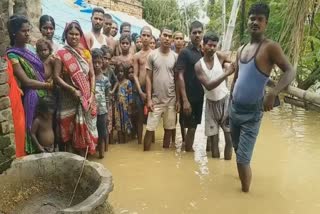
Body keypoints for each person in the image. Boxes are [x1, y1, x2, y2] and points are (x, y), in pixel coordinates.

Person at [230, 2, 295, 192]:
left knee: (243, 158)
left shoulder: (270, 47)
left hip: (252, 113)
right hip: (234, 109)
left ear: (266, 23)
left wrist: (273, 92)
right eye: (252, 18)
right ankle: (242, 180)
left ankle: (245, 196)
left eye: (260, 19)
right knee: (237, 151)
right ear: (248, 22)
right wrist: (228, 107)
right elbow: (236, 79)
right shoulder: (242, 49)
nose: (255, 22)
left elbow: (290, 71)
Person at [7, 15, 52, 154]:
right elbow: (26, 81)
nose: (27, 34)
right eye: (23, 31)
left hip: (44, 97)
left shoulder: (31, 50)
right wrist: (47, 86)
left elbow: (42, 73)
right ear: (14, 33)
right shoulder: (12, 55)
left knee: (46, 129)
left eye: (28, 30)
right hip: (32, 96)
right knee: (33, 129)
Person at [54, 21, 98, 155]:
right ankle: (72, 159)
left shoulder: (85, 54)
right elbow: (56, 77)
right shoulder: (60, 53)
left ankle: (84, 157)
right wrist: (72, 90)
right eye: (71, 34)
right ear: (65, 35)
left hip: (86, 97)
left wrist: (91, 95)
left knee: (86, 128)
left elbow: (92, 75)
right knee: (69, 130)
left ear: (81, 36)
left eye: (77, 34)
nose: (74, 37)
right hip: (68, 97)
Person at [195, 31, 234, 160]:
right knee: (214, 142)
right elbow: (209, 85)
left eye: (214, 46)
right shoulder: (198, 66)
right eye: (209, 45)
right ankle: (215, 169)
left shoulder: (220, 56)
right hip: (211, 105)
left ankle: (227, 167)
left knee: (229, 139)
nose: (212, 48)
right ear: (203, 46)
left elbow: (233, 64)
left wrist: (228, 65)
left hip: (225, 102)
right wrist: (226, 73)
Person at [144, 27, 178, 151]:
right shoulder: (152, 55)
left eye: (170, 36)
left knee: (168, 130)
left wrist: (178, 100)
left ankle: (165, 156)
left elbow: (177, 80)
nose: (167, 38)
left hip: (171, 99)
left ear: (172, 40)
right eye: (165, 35)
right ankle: (145, 154)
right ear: (160, 36)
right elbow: (148, 78)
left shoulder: (175, 57)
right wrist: (149, 99)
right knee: (149, 129)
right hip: (155, 100)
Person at [176, 21, 204, 152]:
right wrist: (184, 100)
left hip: (200, 96)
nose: (197, 35)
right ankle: (188, 154)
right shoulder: (184, 53)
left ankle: (187, 151)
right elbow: (179, 76)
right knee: (191, 128)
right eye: (194, 33)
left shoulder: (203, 52)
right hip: (188, 97)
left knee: (195, 126)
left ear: (203, 34)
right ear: (190, 34)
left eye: (199, 32)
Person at [133, 26, 153, 144]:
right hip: (139, 90)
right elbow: (135, 75)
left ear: (151, 38)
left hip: (152, 90)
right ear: (140, 37)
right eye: (143, 35)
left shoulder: (154, 54)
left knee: (152, 118)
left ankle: (151, 142)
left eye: (148, 36)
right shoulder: (137, 56)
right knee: (139, 118)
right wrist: (140, 92)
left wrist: (151, 93)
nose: (145, 38)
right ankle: (140, 142)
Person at [3, 56, 26, 158]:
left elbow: (10, 75)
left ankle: (20, 155)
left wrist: (16, 86)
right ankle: (16, 157)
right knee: (14, 128)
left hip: (14, 94)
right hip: (7, 98)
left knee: (19, 128)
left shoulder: (4, 56)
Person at [92, 48, 111, 158]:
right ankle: (92, 151)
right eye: (94, 62)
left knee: (102, 132)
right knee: (92, 132)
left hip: (102, 111)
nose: (97, 65)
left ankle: (102, 155)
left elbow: (107, 97)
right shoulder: (89, 78)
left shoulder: (105, 79)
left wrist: (108, 113)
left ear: (102, 62)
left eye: (99, 62)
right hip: (90, 110)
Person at [114, 62, 133, 144]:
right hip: (117, 107)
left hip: (125, 107)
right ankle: (120, 143)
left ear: (124, 72)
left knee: (126, 124)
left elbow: (130, 95)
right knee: (118, 125)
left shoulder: (128, 82)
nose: (120, 73)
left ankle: (126, 143)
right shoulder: (116, 82)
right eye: (118, 71)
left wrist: (129, 107)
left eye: (122, 71)